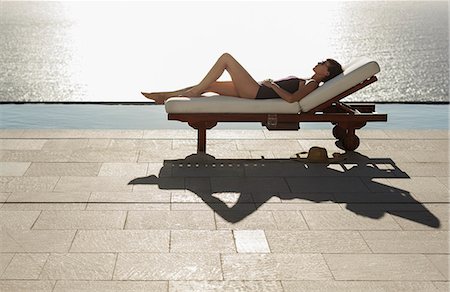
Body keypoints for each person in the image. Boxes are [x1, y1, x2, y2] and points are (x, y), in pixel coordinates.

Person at [141, 52, 343, 104]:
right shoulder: (309, 80)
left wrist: (272, 85)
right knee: (210, 85)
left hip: (255, 93)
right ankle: (165, 96)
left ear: (326, 73)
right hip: (256, 89)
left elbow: (292, 99)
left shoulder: (312, 83)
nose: (320, 62)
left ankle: (189, 93)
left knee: (226, 58)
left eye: (324, 63)